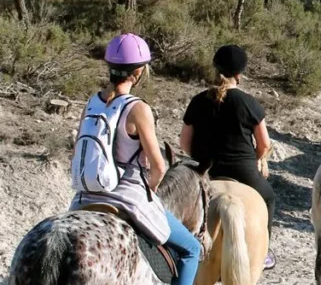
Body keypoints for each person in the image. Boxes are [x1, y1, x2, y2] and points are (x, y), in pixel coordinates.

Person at [69, 33, 201, 285]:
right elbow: (159, 166)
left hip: (85, 197)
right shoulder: (138, 108)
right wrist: (149, 189)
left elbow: (76, 153)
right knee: (191, 249)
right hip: (128, 197)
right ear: (138, 72)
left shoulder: (91, 103)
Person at [179, 44, 277, 269]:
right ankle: (264, 252)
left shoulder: (198, 100)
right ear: (239, 74)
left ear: (215, 69)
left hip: (206, 170)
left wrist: (202, 158)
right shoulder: (248, 102)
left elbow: (184, 143)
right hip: (242, 170)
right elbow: (264, 144)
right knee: (269, 197)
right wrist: (257, 158)